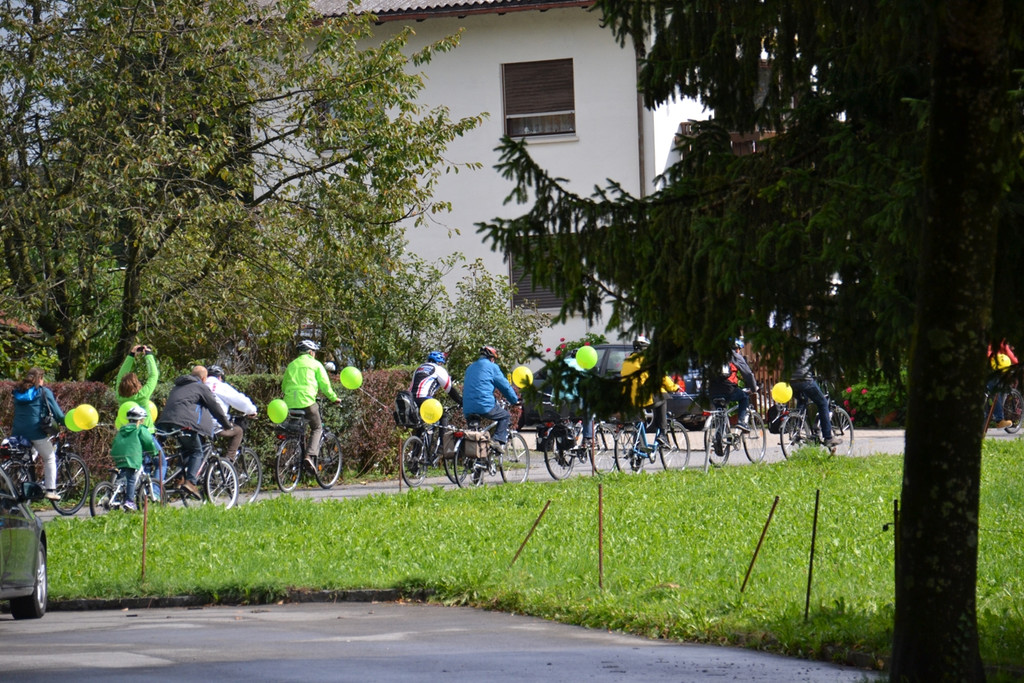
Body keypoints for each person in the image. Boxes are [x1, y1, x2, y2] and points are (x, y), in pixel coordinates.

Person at [156, 365, 233, 498]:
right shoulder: (201, 387)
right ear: (204, 378)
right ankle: (191, 482)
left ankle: (178, 479)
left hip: (165, 423)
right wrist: (226, 424)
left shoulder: (177, 386)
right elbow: (215, 407)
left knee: (185, 450)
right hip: (184, 424)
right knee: (197, 451)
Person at [282, 340, 341, 469]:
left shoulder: (291, 365)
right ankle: (309, 456)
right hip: (307, 401)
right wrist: (334, 398)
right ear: (310, 352)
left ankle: (291, 451)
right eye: (314, 352)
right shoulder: (316, 364)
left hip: (290, 403)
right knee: (317, 428)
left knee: (295, 431)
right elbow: (325, 386)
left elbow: (284, 386)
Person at [11, 368, 65, 500]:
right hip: (35, 431)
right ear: (40, 378)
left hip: (18, 431)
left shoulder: (19, 392)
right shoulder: (44, 392)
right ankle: (50, 490)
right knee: (50, 457)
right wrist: (65, 422)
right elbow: (57, 413)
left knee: (26, 458)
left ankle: (18, 481)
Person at [620, 335, 679, 446]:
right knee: (662, 398)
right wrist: (674, 387)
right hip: (646, 398)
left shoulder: (626, 361)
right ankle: (662, 433)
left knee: (638, 422)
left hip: (631, 400)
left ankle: (638, 448)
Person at [462, 345, 520, 450]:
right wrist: (514, 400)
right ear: (492, 358)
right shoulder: (492, 367)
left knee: (474, 436)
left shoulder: (470, 367)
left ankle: (475, 462)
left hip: (467, 407)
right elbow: (505, 387)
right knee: (505, 416)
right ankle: (497, 440)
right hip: (484, 405)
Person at [789, 343, 842, 448]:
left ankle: (797, 430)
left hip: (791, 380)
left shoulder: (793, 340)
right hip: (805, 379)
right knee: (822, 403)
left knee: (802, 402)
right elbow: (824, 357)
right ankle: (828, 437)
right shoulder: (811, 339)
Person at [110, 405, 158, 511]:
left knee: (122, 476)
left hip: (118, 455)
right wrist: (154, 453)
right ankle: (129, 501)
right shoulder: (139, 429)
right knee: (132, 478)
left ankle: (116, 496)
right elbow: (148, 442)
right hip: (132, 457)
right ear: (140, 419)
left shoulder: (122, 429)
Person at [204, 365, 258, 458]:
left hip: (198, 423)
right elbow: (240, 400)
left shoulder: (201, 385)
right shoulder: (220, 386)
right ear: (220, 377)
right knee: (238, 431)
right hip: (215, 425)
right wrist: (251, 410)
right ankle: (229, 464)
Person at [707, 338, 759, 432]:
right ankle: (741, 422)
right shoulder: (735, 356)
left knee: (721, 412)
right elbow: (748, 374)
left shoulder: (715, 356)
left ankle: (721, 438)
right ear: (737, 348)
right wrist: (754, 388)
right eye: (739, 349)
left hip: (712, 390)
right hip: (728, 388)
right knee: (744, 397)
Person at [115, 344, 159, 429]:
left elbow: (120, 376)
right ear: (137, 384)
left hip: (126, 433)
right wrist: (149, 355)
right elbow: (154, 375)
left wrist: (131, 355)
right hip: (146, 432)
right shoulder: (142, 395)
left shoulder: (119, 396)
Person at [987, 339, 1019, 428]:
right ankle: (999, 420)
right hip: (992, 369)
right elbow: (1012, 357)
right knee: (996, 390)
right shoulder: (998, 341)